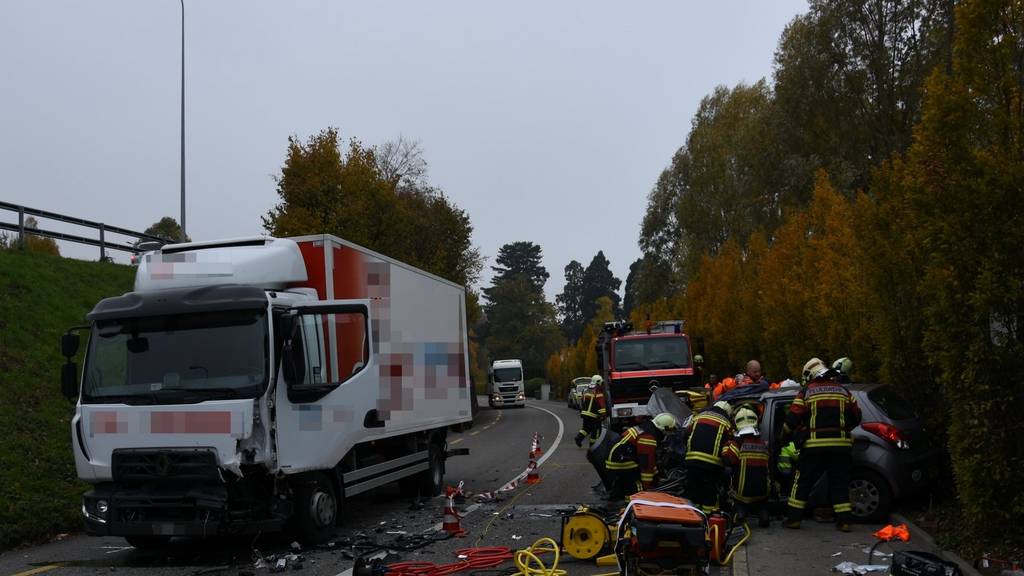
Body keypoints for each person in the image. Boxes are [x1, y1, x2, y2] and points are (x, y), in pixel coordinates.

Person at [782, 357, 862, 532]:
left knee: (802, 481)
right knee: (839, 482)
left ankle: (794, 519)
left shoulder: (806, 392)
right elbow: (857, 416)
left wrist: (785, 435)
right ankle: (845, 521)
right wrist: (842, 429)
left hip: (814, 446)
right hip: (841, 446)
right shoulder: (843, 391)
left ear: (811, 374)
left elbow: (792, 419)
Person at [604, 413, 677, 498]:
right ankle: (633, 505)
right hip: (622, 464)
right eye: (669, 430)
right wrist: (647, 486)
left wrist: (657, 476)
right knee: (638, 489)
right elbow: (646, 464)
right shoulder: (649, 438)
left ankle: (618, 497)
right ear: (664, 428)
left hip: (617, 459)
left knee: (625, 484)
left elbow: (651, 460)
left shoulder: (646, 427)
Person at [723, 407, 771, 527]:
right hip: (762, 490)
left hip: (742, 492)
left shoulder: (737, 443)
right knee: (761, 504)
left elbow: (728, 461)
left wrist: (725, 448)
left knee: (737, 500)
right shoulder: (763, 443)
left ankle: (740, 514)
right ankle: (763, 516)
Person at [683, 400, 734, 513]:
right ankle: (707, 518)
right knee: (709, 493)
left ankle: (691, 515)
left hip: (691, 460)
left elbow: (686, 433)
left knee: (692, 490)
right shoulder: (727, 423)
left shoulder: (699, 416)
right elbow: (729, 444)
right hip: (712, 464)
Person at [574, 375, 607, 447]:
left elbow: (582, 400)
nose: (602, 384)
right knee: (595, 431)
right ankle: (593, 446)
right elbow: (601, 405)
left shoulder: (587, 389)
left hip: (585, 413)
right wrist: (603, 415)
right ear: (598, 382)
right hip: (594, 415)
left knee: (586, 428)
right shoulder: (598, 391)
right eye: (601, 382)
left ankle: (578, 438)